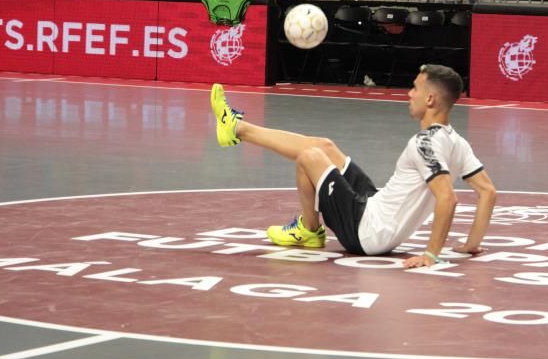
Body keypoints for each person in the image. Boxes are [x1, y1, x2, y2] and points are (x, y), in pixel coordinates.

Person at [209, 63, 497, 267]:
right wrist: (472, 244)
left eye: (414, 88)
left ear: (430, 99)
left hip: (367, 233)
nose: (409, 93)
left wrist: (432, 254)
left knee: (310, 157)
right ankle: (236, 127)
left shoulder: (425, 144)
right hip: (374, 207)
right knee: (324, 147)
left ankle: (309, 229)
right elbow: (487, 191)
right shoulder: (455, 141)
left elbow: (447, 197)